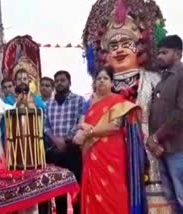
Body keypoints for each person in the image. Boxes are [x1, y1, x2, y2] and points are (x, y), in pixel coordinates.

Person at [82, 1, 170, 212]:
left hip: (149, 146)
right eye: (113, 45)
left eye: (127, 43)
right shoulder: (98, 93)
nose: (119, 49)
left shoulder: (153, 79)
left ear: (141, 47)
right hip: (111, 150)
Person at [74, 67, 147, 214]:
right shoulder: (89, 104)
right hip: (92, 153)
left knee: (113, 189)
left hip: (111, 153)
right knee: (93, 191)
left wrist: (89, 132)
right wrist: (83, 130)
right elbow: (80, 123)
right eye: (98, 78)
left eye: (105, 78)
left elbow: (115, 127)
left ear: (112, 83)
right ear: (94, 83)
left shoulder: (118, 101)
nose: (101, 81)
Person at [148, 35, 183, 213]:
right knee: (173, 200)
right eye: (159, 52)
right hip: (163, 149)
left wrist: (155, 136)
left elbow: (181, 113)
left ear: (177, 53)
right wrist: (154, 142)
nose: (159, 56)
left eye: (164, 52)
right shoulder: (164, 79)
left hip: (179, 149)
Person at [44, 70, 85, 214]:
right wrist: (55, 140)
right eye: (57, 81)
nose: (59, 83)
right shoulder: (49, 104)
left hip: (72, 150)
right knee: (58, 190)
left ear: (69, 82)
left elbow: (80, 122)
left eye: (63, 80)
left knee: (78, 187)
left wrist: (65, 139)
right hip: (55, 151)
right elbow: (46, 126)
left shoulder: (79, 100)